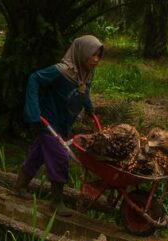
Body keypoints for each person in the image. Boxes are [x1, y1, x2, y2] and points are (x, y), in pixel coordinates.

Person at [14, 35, 104, 214]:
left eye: (99, 55)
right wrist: (33, 108)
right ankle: (56, 202)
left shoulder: (86, 73)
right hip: (49, 119)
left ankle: (19, 186)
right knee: (61, 155)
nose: (96, 59)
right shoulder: (60, 71)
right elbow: (34, 78)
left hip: (63, 121)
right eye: (93, 55)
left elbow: (84, 92)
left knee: (38, 153)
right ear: (82, 53)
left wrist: (89, 108)